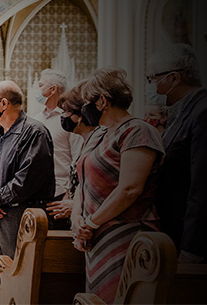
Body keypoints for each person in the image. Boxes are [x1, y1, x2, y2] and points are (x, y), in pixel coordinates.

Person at [71, 68, 164, 303]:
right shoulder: (99, 134)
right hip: (95, 235)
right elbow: (82, 181)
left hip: (125, 232)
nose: (84, 109)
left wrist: (91, 222)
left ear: (102, 101)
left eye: (86, 102)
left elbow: (130, 188)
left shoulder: (138, 130)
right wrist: (78, 221)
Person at [0, 80, 55, 284]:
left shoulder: (34, 132)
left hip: (21, 216)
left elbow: (26, 181)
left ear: (3, 104)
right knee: (1, 280)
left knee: (18, 282)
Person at [147, 44, 207, 264]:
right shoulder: (183, 111)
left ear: (174, 78)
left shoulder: (202, 112)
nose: (151, 85)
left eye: (152, 78)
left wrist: (192, 250)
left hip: (189, 240)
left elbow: (201, 188)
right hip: (172, 232)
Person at [32, 69, 83, 229]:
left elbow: (77, 159)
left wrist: (69, 196)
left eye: (40, 85)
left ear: (53, 89)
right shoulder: (36, 118)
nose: (36, 90)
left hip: (60, 194)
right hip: (36, 193)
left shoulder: (69, 119)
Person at [51, 81, 105, 224]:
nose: (63, 117)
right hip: (77, 213)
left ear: (80, 116)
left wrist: (75, 205)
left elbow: (98, 186)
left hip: (91, 216)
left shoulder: (99, 139)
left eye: (67, 112)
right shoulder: (86, 141)